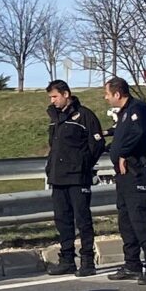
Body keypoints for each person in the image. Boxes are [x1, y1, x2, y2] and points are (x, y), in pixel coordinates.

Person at [101, 75, 146, 284]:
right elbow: (121, 136)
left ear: (117, 94)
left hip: (137, 172)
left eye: (107, 94)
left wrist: (122, 153)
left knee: (141, 221)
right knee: (126, 221)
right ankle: (132, 264)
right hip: (124, 176)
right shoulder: (124, 113)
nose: (106, 98)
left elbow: (138, 133)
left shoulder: (137, 109)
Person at [41, 79, 105, 276]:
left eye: (55, 96)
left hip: (78, 177)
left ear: (66, 94)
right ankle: (67, 259)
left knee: (82, 219)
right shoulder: (55, 118)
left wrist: (83, 164)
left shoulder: (84, 116)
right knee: (63, 220)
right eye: (50, 97)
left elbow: (97, 144)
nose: (52, 101)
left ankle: (87, 260)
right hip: (58, 177)